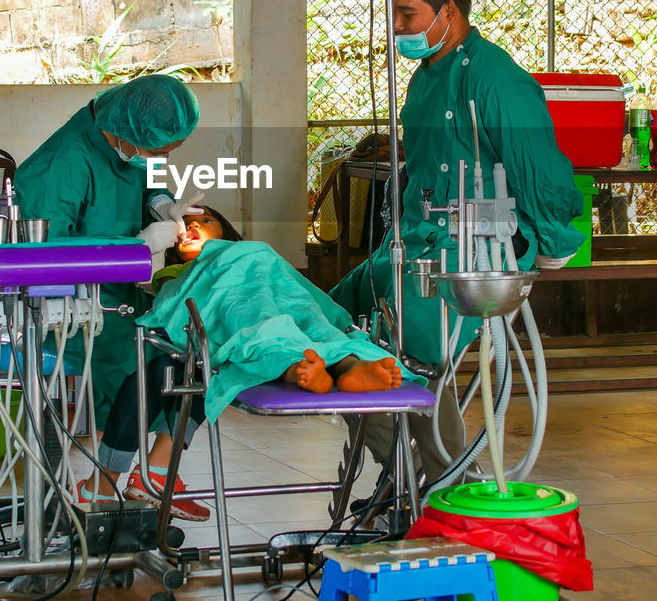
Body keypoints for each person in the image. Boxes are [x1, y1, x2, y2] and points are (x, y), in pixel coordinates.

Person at [329, 0, 584, 485]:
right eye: (393, 14)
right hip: (416, 242)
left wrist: (555, 243)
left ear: (447, 12)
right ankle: (414, 479)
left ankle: (440, 483)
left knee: (408, 359)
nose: (397, 27)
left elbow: (539, 168)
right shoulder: (424, 80)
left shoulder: (495, 81)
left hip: (476, 254)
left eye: (407, 14)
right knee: (330, 327)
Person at [91, 208, 420, 514]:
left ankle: (349, 367)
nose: (192, 227)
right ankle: (301, 369)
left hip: (285, 300)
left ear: (227, 229)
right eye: (185, 227)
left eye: (204, 221)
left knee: (317, 325)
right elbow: (184, 305)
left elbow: (297, 290)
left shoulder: (255, 251)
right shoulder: (180, 274)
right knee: (260, 327)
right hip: (241, 312)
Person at [12, 74, 207, 513]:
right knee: (143, 374)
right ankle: (110, 483)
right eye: (159, 151)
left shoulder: (132, 141)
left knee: (193, 360)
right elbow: (46, 254)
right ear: (130, 132)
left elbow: (148, 175)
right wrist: (138, 247)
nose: (161, 158)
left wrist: (162, 203)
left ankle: (154, 474)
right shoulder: (66, 162)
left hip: (121, 292)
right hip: (75, 303)